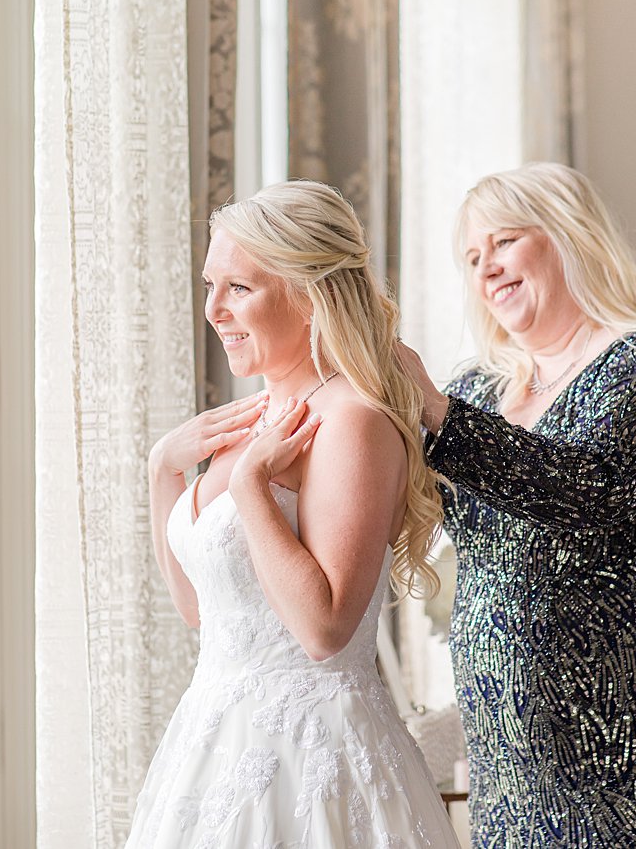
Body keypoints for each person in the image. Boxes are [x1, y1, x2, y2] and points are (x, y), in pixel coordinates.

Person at [398, 163, 636, 847]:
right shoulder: (475, 387)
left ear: (569, 234)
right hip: (512, 743)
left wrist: (436, 413)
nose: (487, 267)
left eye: (503, 241)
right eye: (472, 257)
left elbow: (584, 489)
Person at [126, 180, 459, 847]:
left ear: (309, 296)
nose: (214, 310)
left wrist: (249, 486)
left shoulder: (352, 422)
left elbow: (324, 629)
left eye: (239, 289)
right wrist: (163, 467)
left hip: (316, 757)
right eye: (208, 285)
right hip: (211, 748)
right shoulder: (251, 422)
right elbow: (200, 606)